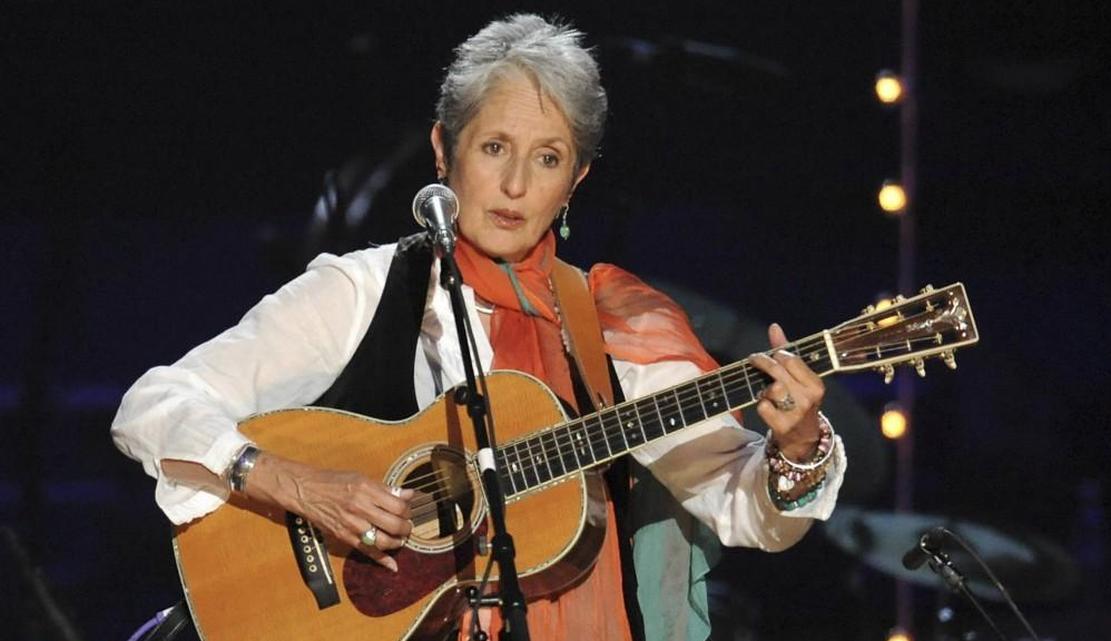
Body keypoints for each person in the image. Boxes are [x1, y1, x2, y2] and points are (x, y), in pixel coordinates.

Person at [112, 13, 846, 641]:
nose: (517, 186)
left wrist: (799, 446)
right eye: (494, 148)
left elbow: (735, 495)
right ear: (443, 149)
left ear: (577, 181)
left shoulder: (615, 320)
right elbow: (155, 405)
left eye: (548, 158)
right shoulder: (365, 288)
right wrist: (291, 481)